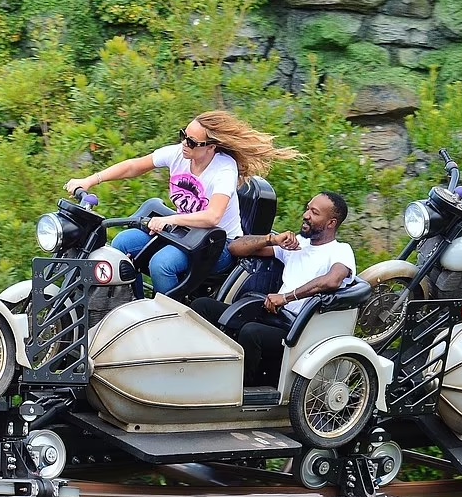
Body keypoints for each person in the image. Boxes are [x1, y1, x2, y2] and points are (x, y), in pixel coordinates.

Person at [65, 110, 298, 296]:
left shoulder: (224, 169)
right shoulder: (180, 153)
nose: (185, 144)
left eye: (192, 142)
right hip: (182, 233)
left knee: (162, 264)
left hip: (218, 244)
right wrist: (90, 180)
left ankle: (168, 325)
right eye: (183, 136)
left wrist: (170, 220)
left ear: (211, 147)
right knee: (122, 243)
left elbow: (213, 217)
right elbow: (134, 166)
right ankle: (131, 306)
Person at [191, 191, 356, 387]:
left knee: (251, 333)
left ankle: (240, 391)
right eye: (307, 208)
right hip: (274, 314)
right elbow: (235, 248)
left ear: (331, 223)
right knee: (201, 307)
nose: (306, 215)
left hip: (300, 329)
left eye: (314, 212)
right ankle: (195, 368)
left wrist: (286, 297)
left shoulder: (340, 250)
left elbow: (332, 281)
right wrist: (271, 240)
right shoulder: (297, 245)